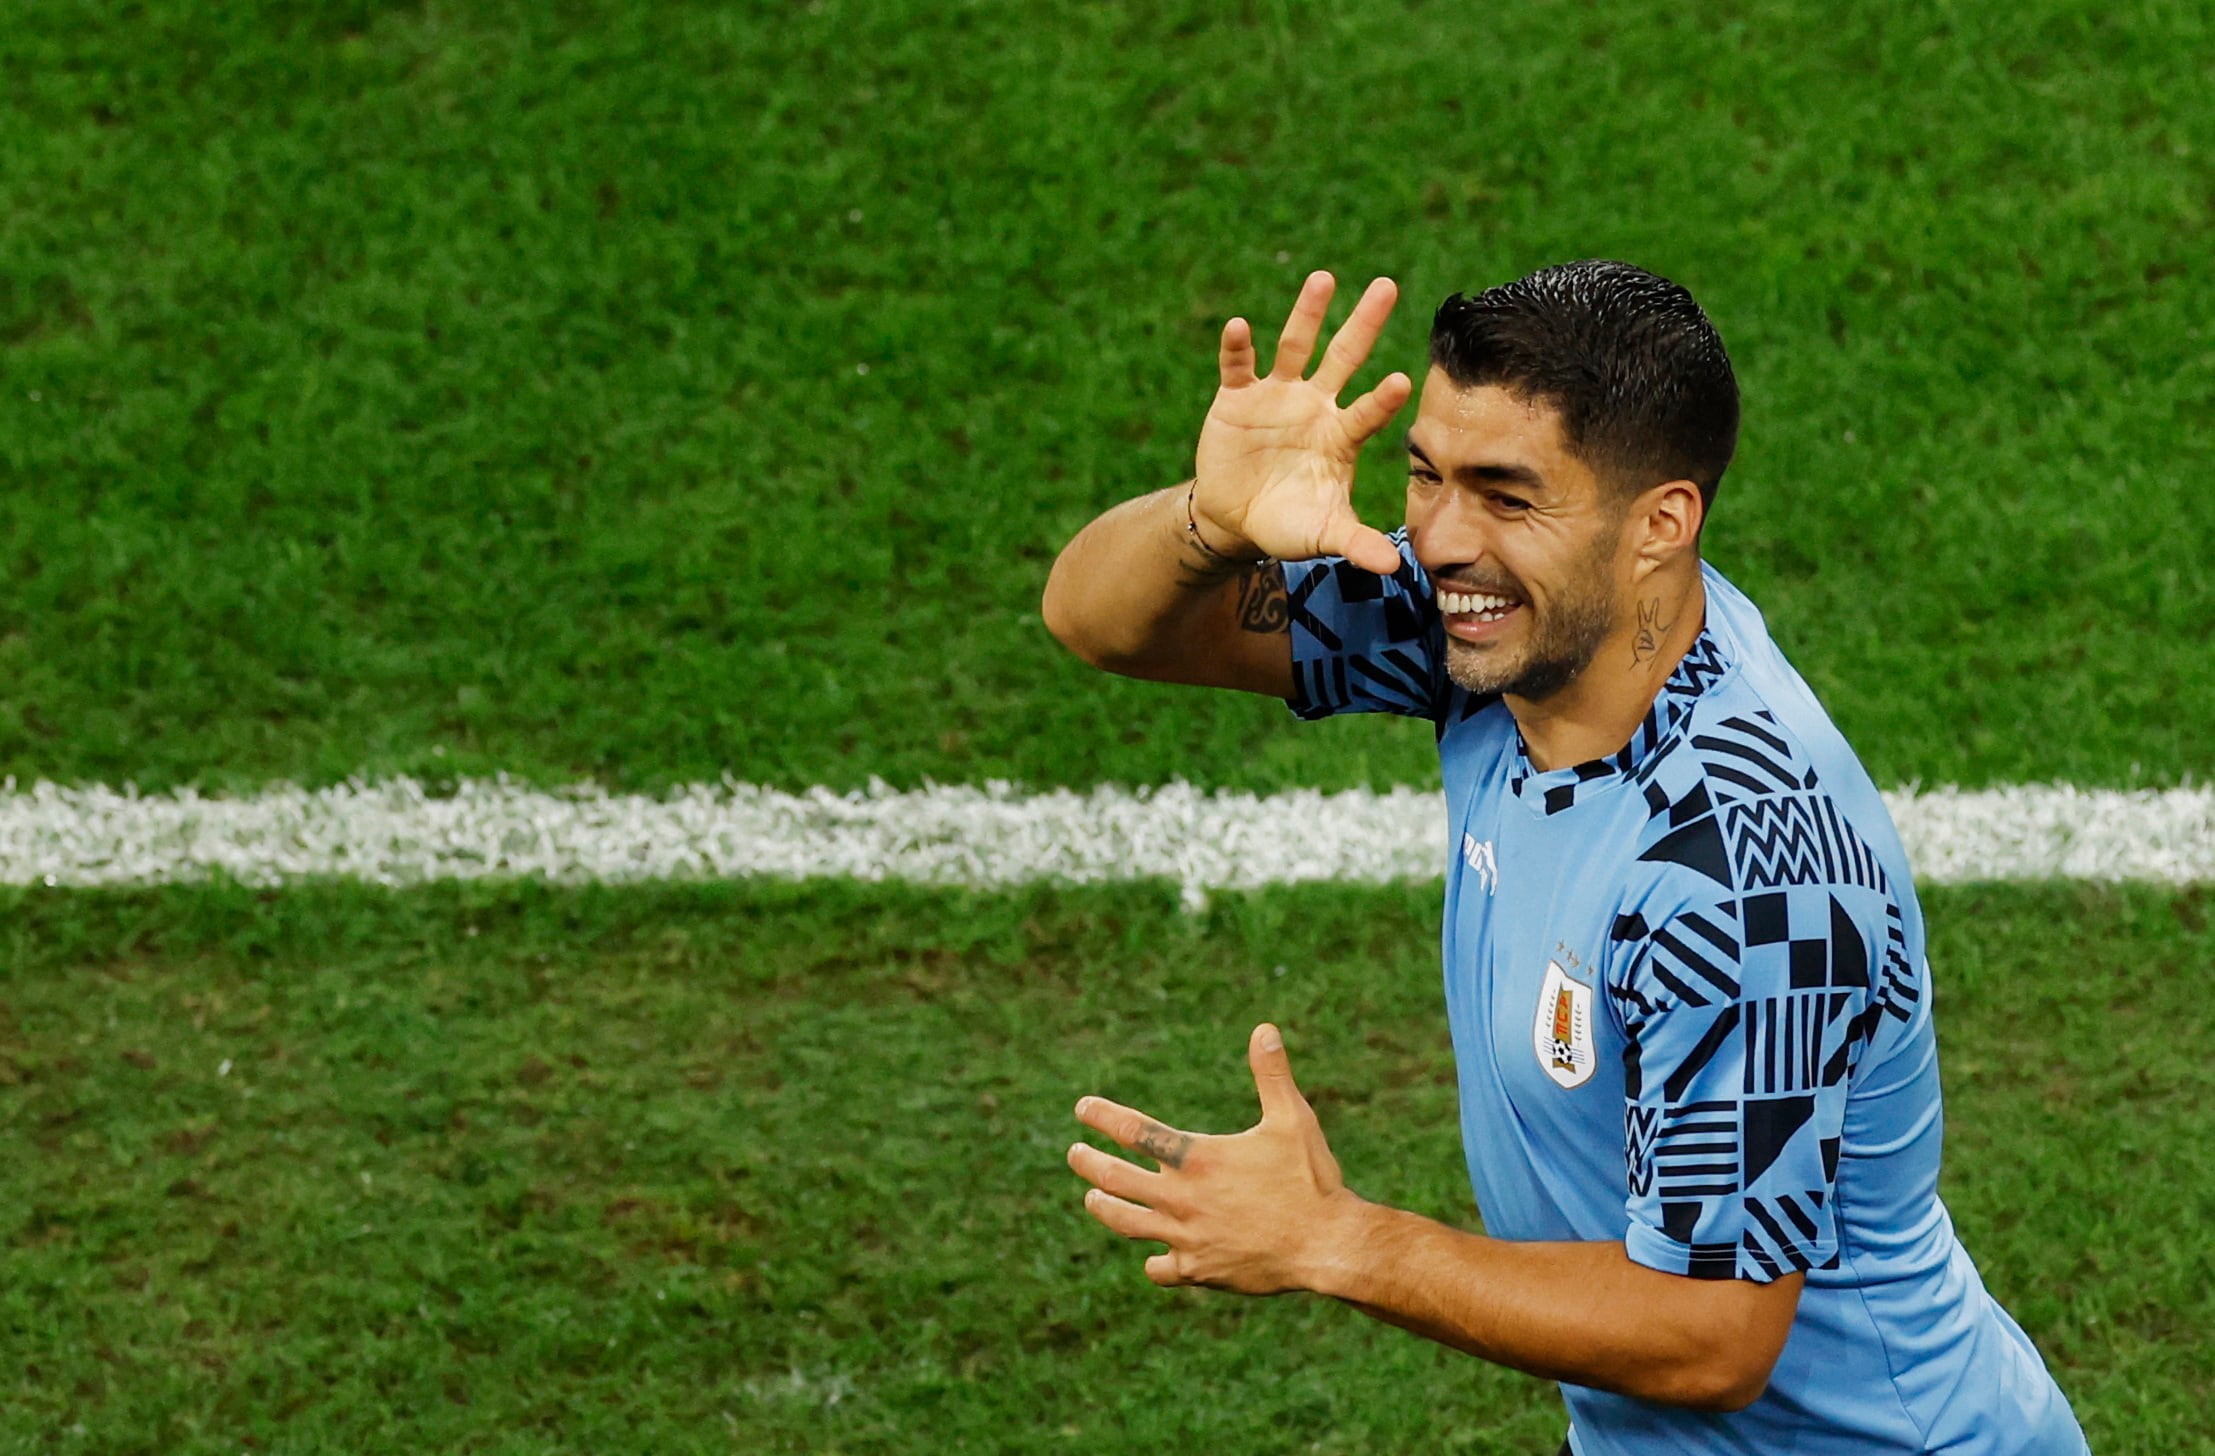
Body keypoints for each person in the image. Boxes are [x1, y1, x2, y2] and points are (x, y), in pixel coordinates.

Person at [1040, 261, 2088, 1453]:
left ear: (1659, 525)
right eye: (1425, 473)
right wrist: (1212, 519)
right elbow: (1105, 621)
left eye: (1506, 494)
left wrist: (1340, 1238)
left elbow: (1710, 1330)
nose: (1437, 538)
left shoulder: (1740, 869)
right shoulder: (1502, 630)